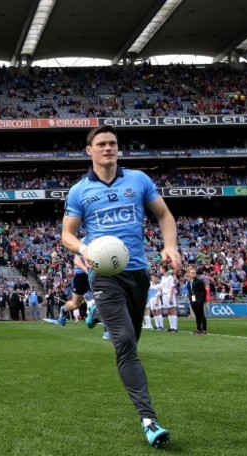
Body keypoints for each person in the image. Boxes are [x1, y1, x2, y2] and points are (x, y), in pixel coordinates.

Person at [61, 125, 182, 449]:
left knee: (132, 341)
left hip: (138, 273)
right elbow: (67, 235)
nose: (108, 148)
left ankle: (97, 312)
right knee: (126, 342)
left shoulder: (139, 180)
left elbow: (164, 214)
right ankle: (149, 420)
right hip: (103, 274)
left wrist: (169, 245)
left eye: (112, 143)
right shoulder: (79, 191)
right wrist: (84, 249)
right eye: (101, 144)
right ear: (90, 150)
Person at [187, 268, 208, 334]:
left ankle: (204, 329)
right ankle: (198, 329)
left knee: (201, 315)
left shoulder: (199, 281)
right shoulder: (189, 282)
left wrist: (203, 299)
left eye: (194, 272)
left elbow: (204, 291)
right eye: (192, 273)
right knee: (197, 315)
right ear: (189, 274)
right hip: (192, 301)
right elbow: (190, 291)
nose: (194, 274)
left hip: (199, 300)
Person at [159, 264, 178, 332]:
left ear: (164, 269)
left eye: (160, 268)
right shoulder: (162, 277)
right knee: (168, 310)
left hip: (169, 294)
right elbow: (161, 286)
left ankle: (175, 327)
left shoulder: (170, 277)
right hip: (164, 294)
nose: (160, 270)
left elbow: (172, 287)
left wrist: (170, 297)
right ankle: (171, 326)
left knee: (172, 309)